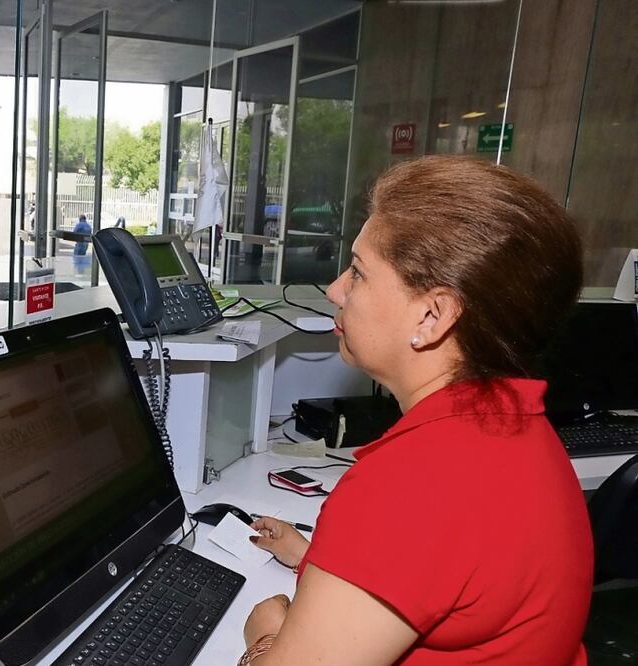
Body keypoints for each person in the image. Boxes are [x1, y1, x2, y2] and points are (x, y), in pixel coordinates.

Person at [239, 156, 592, 665]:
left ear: (432, 316)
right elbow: (449, 567)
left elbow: (423, 523)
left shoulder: (416, 482)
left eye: (358, 272)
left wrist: (267, 638)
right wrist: (313, 559)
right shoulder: (516, 425)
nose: (336, 289)